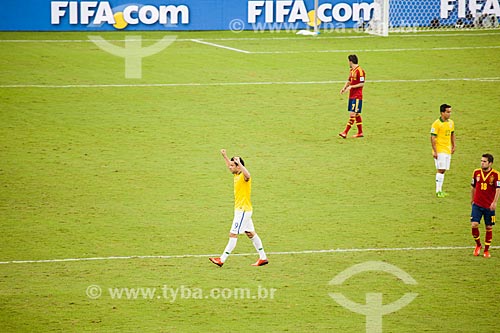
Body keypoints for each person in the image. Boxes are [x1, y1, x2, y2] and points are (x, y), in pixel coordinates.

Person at [209, 149, 268, 267]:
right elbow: (230, 166)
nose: (230, 167)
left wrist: (239, 163)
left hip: (243, 210)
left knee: (233, 234)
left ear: (239, 166)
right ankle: (263, 258)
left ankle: (222, 259)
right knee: (250, 233)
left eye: (233, 165)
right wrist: (225, 156)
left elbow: (248, 175)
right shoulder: (236, 174)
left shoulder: (244, 176)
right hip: (242, 210)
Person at [470, 154, 500, 258]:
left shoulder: (496, 174)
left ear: (490, 163)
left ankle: (486, 250)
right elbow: (473, 187)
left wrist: (494, 202)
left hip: (489, 206)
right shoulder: (476, 172)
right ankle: (478, 245)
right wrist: (472, 199)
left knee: (489, 227)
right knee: (474, 224)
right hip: (477, 204)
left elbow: (498, 189)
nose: (482, 163)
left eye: (484, 161)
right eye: (481, 161)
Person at [430, 104, 456, 198]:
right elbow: (432, 138)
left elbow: (452, 134)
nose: (449, 114)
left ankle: (440, 190)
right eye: (448, 112)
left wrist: (453, 145)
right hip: (440, 149)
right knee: (440, 169)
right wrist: (435, 151)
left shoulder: (451, 123)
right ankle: (438, 191)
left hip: (447, 149)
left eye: (450, 112)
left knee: (443, 169)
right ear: (442, 113)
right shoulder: (436, 124)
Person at [339, 54, 365, 139]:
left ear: (350, 61)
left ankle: (345, 132)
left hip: (357, 96)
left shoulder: (360, 71)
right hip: (352, 96)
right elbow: (349, 80)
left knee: (352, 114)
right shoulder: (352, 70)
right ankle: (360, 132)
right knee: (356, 113)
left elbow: (362, 83)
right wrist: (344, 88)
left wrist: (351, 87)